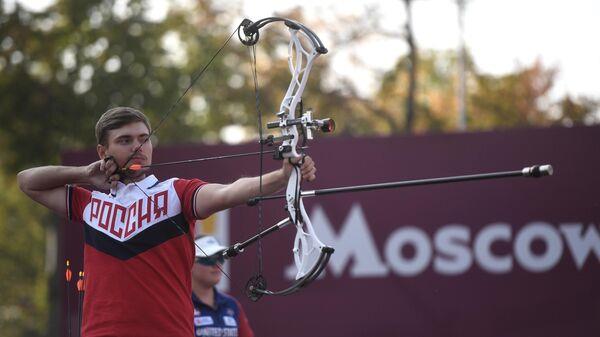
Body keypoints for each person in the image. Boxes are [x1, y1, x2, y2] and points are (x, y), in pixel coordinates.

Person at [17, 106, 316, 337]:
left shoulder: (175, 192)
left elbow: (229, 192)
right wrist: (84, 173)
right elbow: (27, 181)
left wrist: (282, 176)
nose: (138, 147)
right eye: (124, 140)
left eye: (143, 139)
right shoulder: (90, 203)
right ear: (103, 151)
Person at [192, 235, 254, 337]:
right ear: (190, 262)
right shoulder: (180, 304)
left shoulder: (231, 304)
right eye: (209, 259)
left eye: (220, 258)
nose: (217, 265)